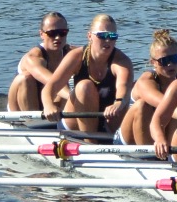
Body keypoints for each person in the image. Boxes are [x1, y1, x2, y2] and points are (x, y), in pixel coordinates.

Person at [45, 13, 134, 141]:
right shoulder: (76, 56)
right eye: (102, 36)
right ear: (89, 36)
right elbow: (49, 88)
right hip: (75, 125)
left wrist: (119, 102)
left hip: (109, 122)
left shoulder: (122, 62)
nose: (108, 40)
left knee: (127, 104)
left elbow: (123, 88)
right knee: (84, 86)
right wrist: (48, 105)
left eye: (112, 36)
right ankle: (90, 143)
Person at [121, 29, 177, 145]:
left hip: (161, 133)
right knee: (142, 105)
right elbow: (165, 106)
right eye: (164, 61)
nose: (170, 64)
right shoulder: (146, 82)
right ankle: (148, 158)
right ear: (153, 62)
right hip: (129, 140)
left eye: (175, 59)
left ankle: (171, 155)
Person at [7, 12, 72, 113]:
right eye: (52, 33)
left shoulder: (71, 52)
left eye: (62, 32)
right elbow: (53, 83)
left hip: (49, 102)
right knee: (25, 78)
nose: (58, 37)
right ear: (41, 34)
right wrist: (74, 97)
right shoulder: (34, 57)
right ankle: (33, 123)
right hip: (19, 109)